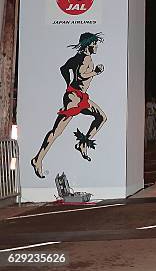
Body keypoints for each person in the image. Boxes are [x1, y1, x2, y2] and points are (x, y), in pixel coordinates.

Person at [31, 32, 107, 178]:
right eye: (95, 44)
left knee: (101, 117)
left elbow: (63, 68)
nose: (96, 46)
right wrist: (96, 72)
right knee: (56, 131)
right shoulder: (85, 58)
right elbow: (81, 75)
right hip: (73, 99)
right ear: (89, 44)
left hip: (79, 96)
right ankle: (37, 159)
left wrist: (68, 84)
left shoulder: (77, 58)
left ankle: (82, 143)